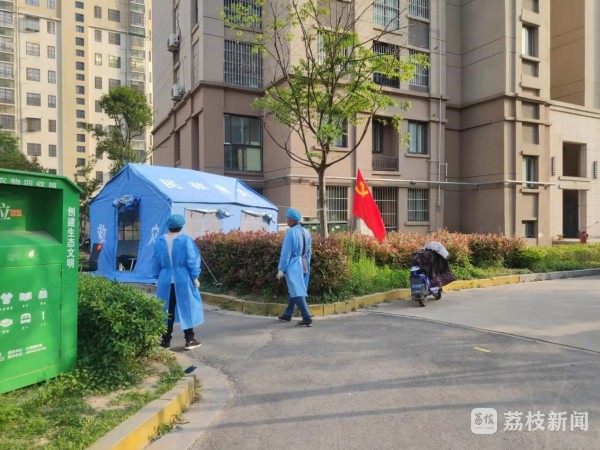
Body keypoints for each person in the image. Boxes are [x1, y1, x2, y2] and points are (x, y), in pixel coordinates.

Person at [152, 213, 203, 350]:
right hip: (183, 278)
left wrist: (157, 277)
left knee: (166, 310)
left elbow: (155, 260)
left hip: (164, 279)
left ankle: (165, 340)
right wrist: (195, 277)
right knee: (186, 307)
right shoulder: (186, 240)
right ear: (181, 225)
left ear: (168, 225)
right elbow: (192, 260)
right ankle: (189, 340)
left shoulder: (159, 241)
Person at [277, 207, 313, 326]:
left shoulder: (291, 232)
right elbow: (309, 251)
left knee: (296, 290)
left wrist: (281, 269)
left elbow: (286, 252)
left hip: (294, 264)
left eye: (287, 218)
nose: (286, 220)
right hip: (304, 262)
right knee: (295, 288)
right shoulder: (306, 232)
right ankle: (288, 314)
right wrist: (307, 264)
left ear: (291, 220)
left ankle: (307, 317)